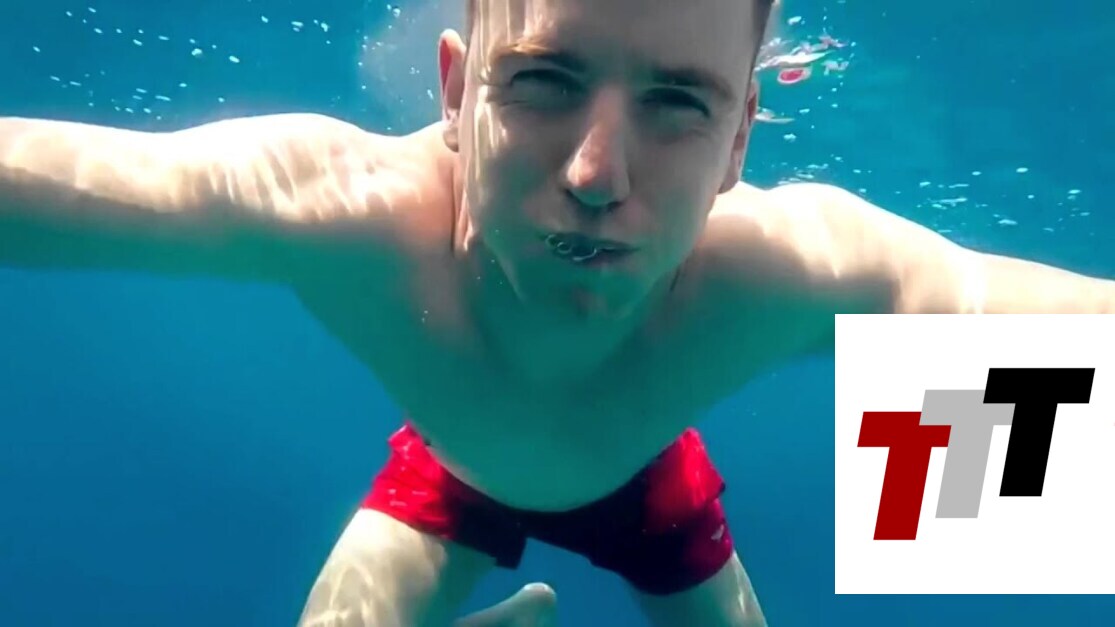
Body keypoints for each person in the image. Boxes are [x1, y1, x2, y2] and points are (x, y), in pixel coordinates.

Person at [1, 0, 1112, 625]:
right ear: (454, 92)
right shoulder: (340, 210)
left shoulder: (783, 269)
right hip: (452, 467)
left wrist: (1021, 478)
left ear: (739, 140)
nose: (594, 174)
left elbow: (1000, 316)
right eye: (541, 81)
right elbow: (85, 184)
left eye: (675, 104)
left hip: (650, 479)